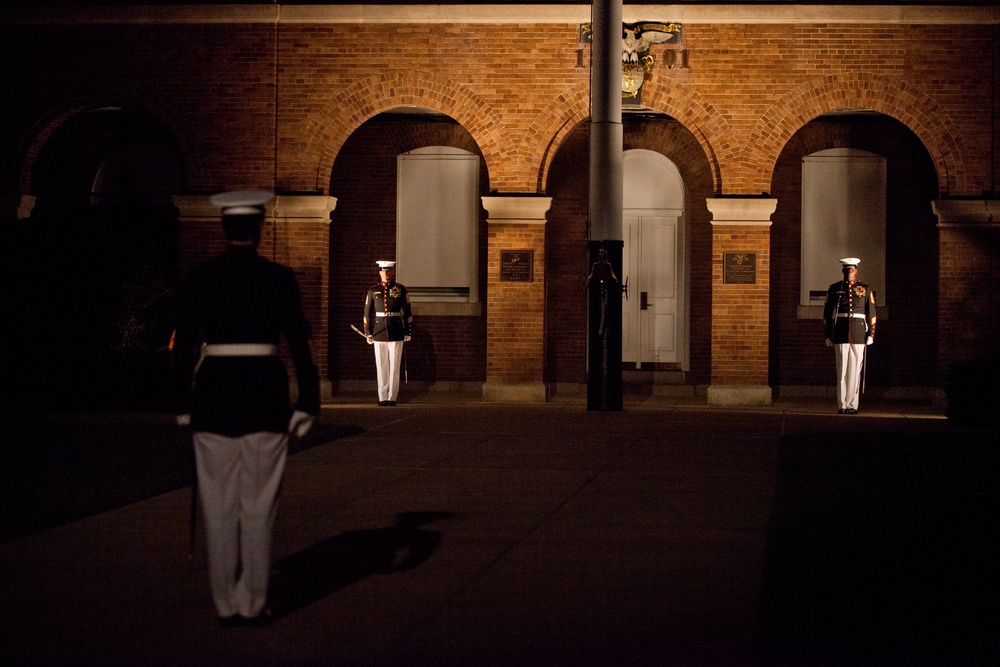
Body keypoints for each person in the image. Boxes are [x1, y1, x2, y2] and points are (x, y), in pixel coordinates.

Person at [172, 189, 320, 627]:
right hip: (263, 396)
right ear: (259, 229)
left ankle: (225, 603)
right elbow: (298, 342)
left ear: (225, 228)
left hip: (215, 397)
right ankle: (253, 603)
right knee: (259, 507)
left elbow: (183, 346)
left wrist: (183, 403)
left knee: (218, 508)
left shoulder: (202, 277)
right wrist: (308, 401)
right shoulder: (278, 278)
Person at [822, 257, 876, 414]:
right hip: (840, 332)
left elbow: (871, 312)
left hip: (859, 333)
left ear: (856, 270)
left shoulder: (865, 288)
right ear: (842, 271)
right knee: (842, 370)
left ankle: (852, 405)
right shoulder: (834, 289)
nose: (849, 273)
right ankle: (842, 404)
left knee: (854, 371)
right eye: (846, 270)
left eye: (851, 270)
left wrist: (871, 333)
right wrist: (827, 334)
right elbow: (827, 313)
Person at [363, 260, 412, 406]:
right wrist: (368, 331)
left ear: (392, 272)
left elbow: (408, 311)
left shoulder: (400, 289)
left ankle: (392, 397)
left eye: (388, 271)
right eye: (383, 271)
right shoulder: (373, 290)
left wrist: (408, 331)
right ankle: (382, 396)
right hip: (378, 332)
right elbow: (367, 313)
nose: (386, 274)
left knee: (394, 365)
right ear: (379, 273)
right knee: (381, 365)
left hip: (396, 330)